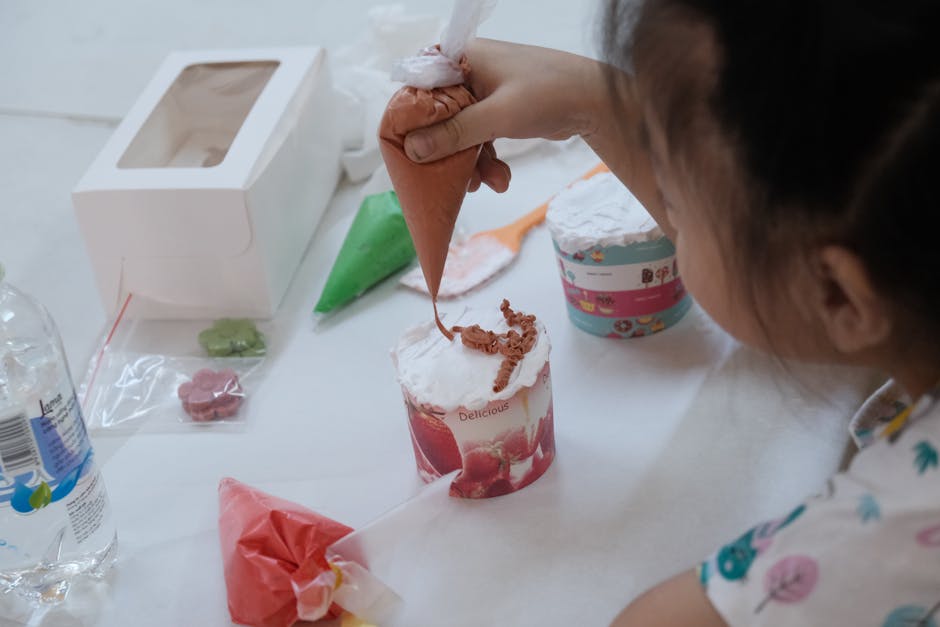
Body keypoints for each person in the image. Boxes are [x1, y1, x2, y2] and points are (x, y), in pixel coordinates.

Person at [399, 0, 940, 624]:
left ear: (841, 295)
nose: (667, 211)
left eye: (676, 200)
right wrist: (594, 101)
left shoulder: (899, 533)